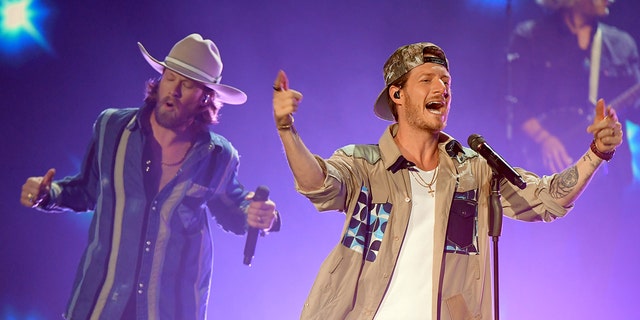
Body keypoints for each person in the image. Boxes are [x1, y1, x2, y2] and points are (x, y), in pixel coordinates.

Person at [272, 42, 622, 319]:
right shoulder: (363, 163)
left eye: (446, 81)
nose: (442, 88)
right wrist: (287, 131)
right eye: (427, 80)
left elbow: (546, 199)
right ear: (398, 95)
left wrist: (597, 152)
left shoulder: (475, 170)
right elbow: (318, 183)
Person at [19, 33, 279, 319]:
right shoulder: (111, 127)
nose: (175, 91)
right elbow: (87, 190)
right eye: (170, 78)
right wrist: (48, 194)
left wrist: (259, 216)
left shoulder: (218, 156)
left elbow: (237, 211)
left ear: (205, 97)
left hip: (170, 310)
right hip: (100, 306)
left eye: (188, 84)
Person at [506, 0, 640, 180]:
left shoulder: (622, 45)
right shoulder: (530, 36)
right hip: (541, 173)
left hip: (609, 175)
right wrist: (545, 139)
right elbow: (510, 103)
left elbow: (636, 112)